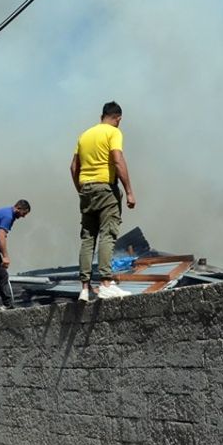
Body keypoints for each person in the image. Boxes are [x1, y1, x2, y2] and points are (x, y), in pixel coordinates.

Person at [70, 101, 137, 301]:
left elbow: (74, 167)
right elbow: (117, 159)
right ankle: (106, 283)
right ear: (118, 118)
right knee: (108, 234)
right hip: (106, 189)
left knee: (88, 238)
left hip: (86, 190)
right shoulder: (113, 132)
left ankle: (84, 288)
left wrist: (81, 190)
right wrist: (129, 192)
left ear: (101, 116)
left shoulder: (84, 135)